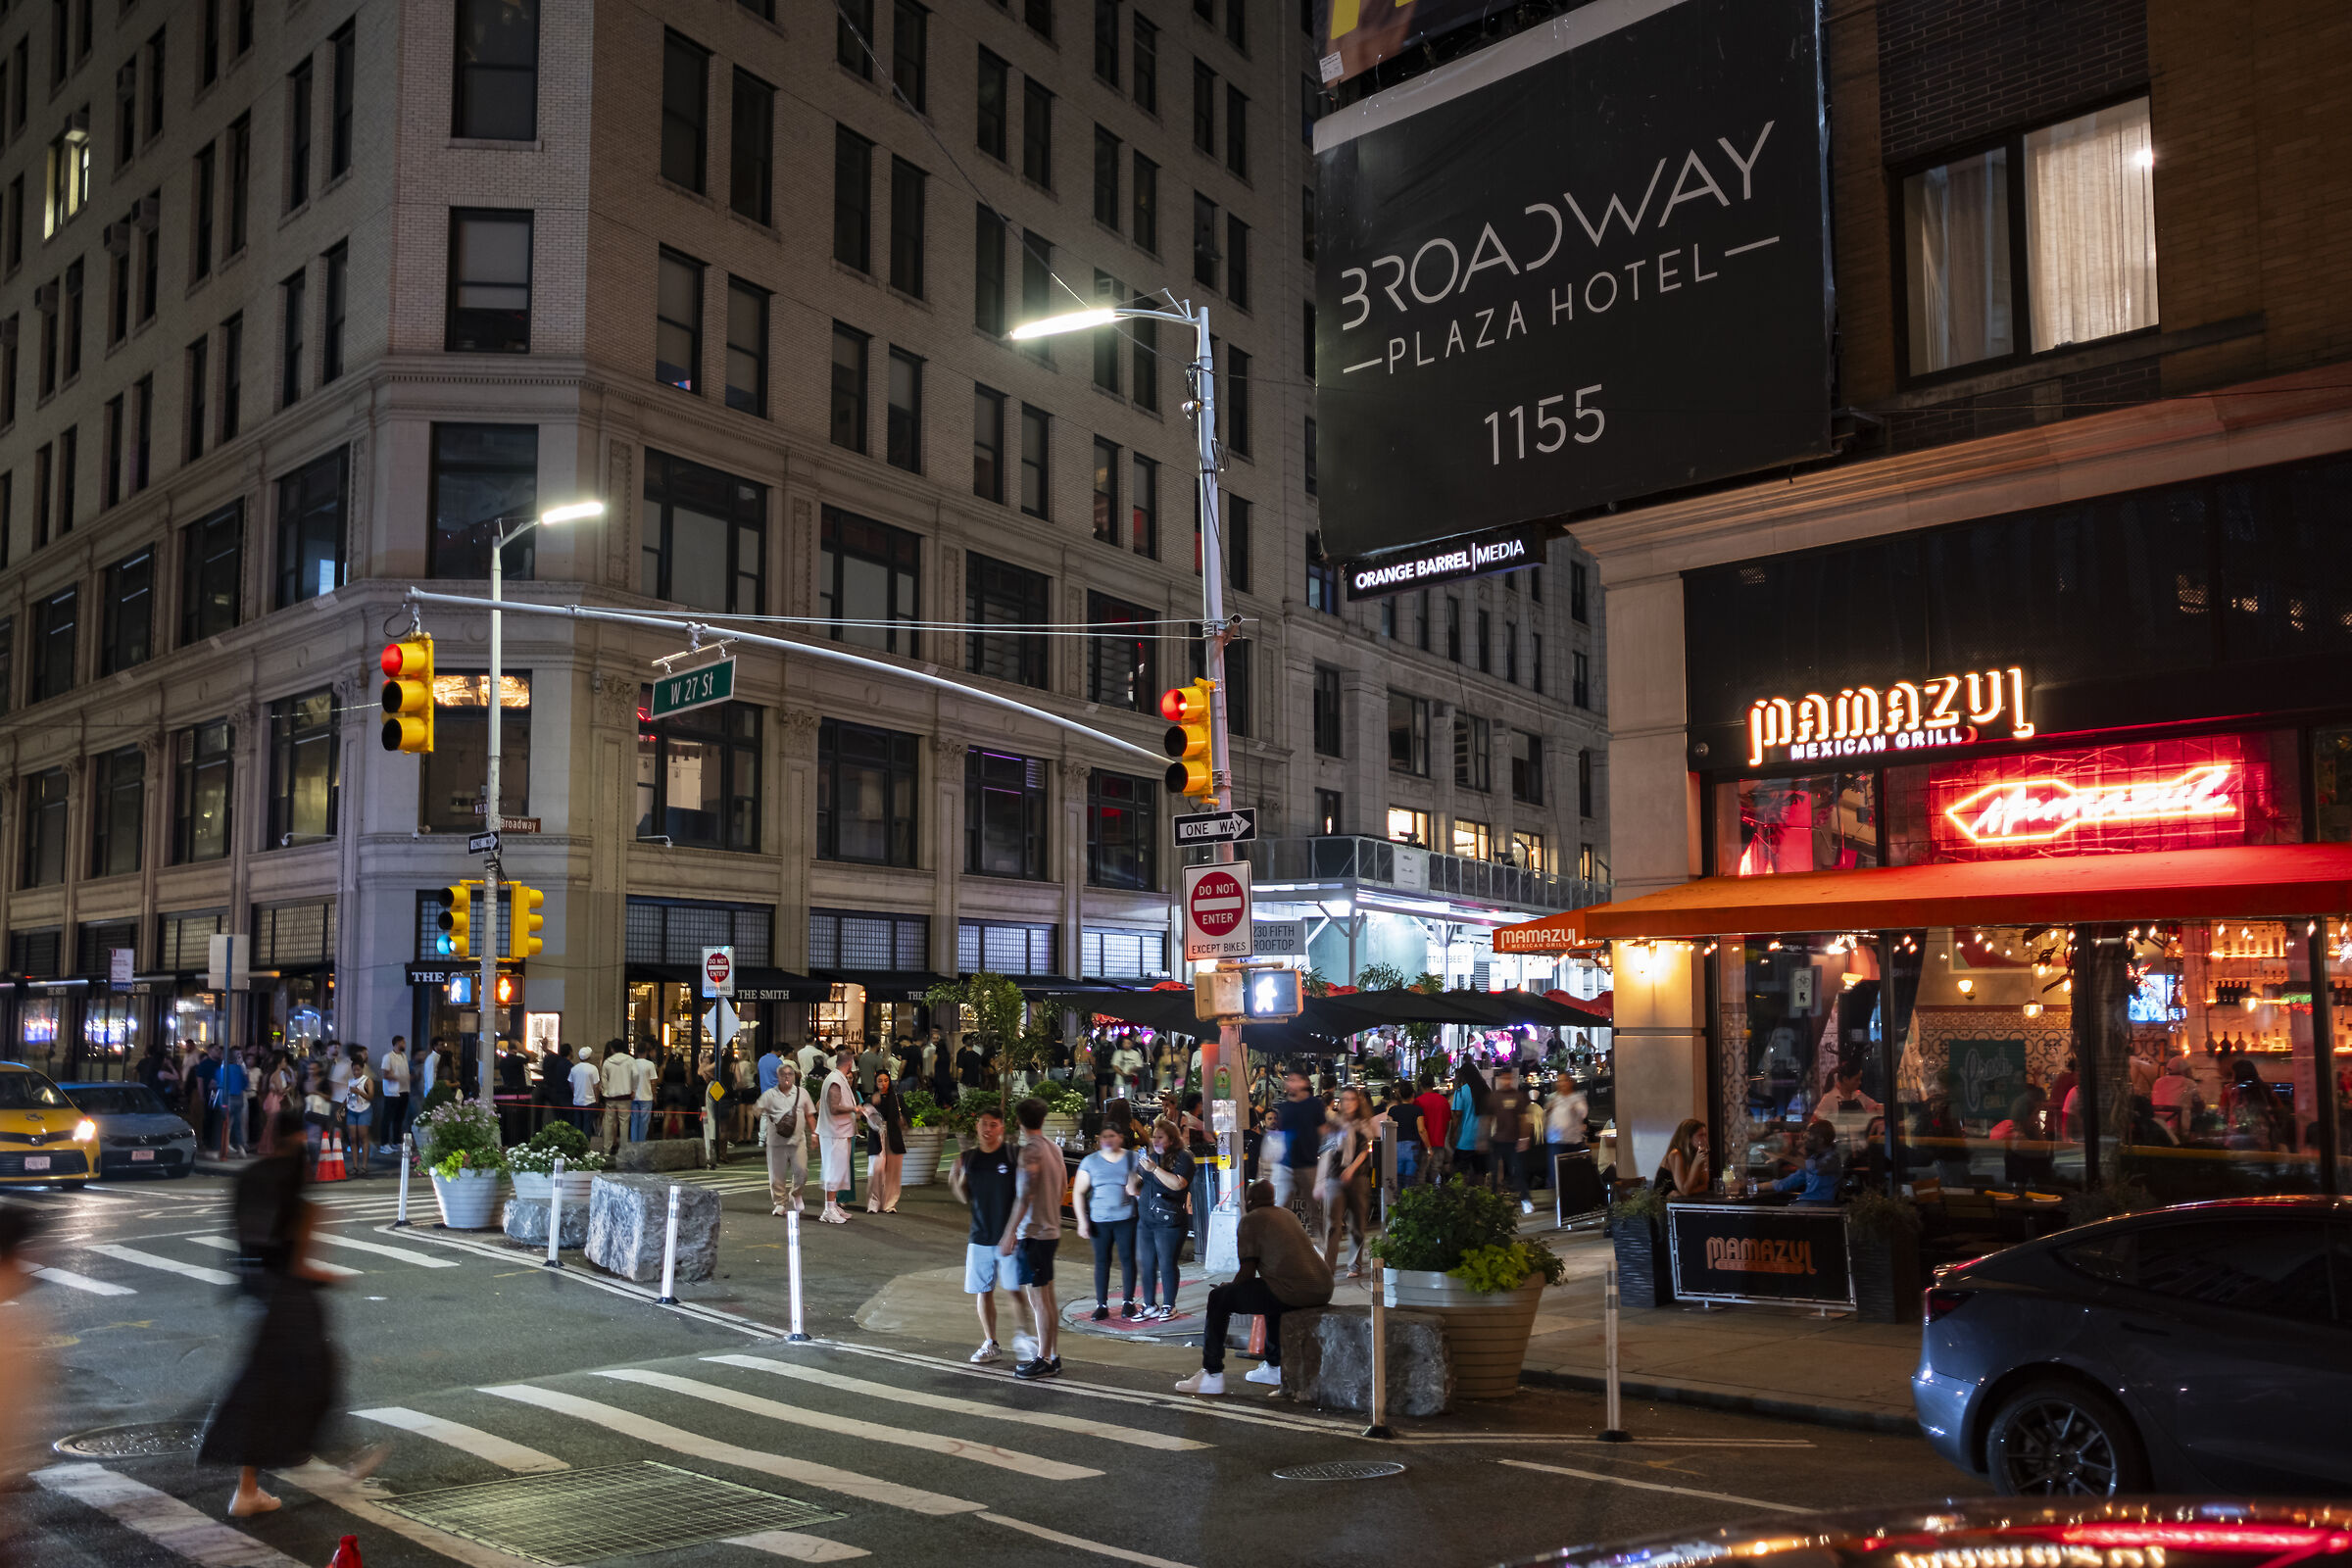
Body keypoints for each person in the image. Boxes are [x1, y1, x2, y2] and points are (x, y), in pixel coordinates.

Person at [198, 1105, 384, 1515]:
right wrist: (332, 1278)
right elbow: (300, 1266)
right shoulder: (298, 1197)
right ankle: (340, 1459)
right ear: (300, 1142)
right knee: (317, 1382)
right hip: (293, 1305)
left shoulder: (250, 1178)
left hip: (259, 1295)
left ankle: (248, 1488)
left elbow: (239, 1243)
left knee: (260, 1389)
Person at [1175, 1179, 1334, 1396]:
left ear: (1249, 1201)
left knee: (1218, 1298)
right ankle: (1274, 1367)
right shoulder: (1287, 1214)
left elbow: (1247, 1272)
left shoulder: (1250, 1221)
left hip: (1293, 1290)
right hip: (1322, 1287)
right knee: (1269, 1295)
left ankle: (1211, 1374)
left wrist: (1231, 1287)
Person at [949, 1105, 1026, 1363]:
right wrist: (955, 1178)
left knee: (1014, 1289)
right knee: (983, 1290)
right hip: (980, 1235)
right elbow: (964, 1197)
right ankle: (990, 1342)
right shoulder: (969, 1158)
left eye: (993, 1124)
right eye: (984, 1123)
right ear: (977, 1126)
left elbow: (1025, 1196)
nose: (988, 1129)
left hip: (1009, 1235)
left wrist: (1015, 1231)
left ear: (1002, 1127)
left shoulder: (1013, 1155)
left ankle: (1024, 1337)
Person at [997, 1097, 1067, 1380]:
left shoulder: (1031, 1152)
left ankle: (1044, 1359)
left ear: (1018, 1121)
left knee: (1038, 1299)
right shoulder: (1053, 1148)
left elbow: (1025, 1195)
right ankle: (1052, 1355)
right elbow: (1063, 1186)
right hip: (1050, 1229)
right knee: (1047, 1296)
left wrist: (1010, 1232)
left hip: (1034, 1233)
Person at [1128, 1116, 1195, 1320]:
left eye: (1160, 1137)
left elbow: (1178, 1184)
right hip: (1146, 1220)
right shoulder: (1151, 1158)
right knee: (1146, 1263)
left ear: (1172, 1140)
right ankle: (1149, 1305)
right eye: (1154, 1137)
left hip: (1169, 1222)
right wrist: (1131, 1170)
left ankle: (1169, 1306)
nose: (1155, 1141)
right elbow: (1133, 1189)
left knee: (1166, 1263)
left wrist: (1155, 1170)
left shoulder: (1183, 1158)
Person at [1074, 1118, 1139, 1320]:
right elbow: (1078, 1192)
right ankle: (1101, 1304)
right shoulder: (1090, 1161)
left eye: (1112, 1136)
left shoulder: (1132, 1158)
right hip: (1099, 1219)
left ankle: (1128, 1302)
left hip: (1126, 1218)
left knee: (1127, 1259)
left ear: (1120, 1138)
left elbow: (1141, 1186)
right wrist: (1082, 1221)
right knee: (1102, 1261)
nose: (1108, 1140)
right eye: (1104, 1137)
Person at [1322, 1087, 1377, 1276]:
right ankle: (1328, 1266)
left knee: (1357, 1223)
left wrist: (1351, 1169)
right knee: (1333, 1223)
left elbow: (1364, 1150)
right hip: (1335, 1175)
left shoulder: (1364, 1124)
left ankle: (1354, 1265)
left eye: (1352, 1099)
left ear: (1358, 1102)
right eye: (1344, 1099)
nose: (1348, 1103)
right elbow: (1327, 1150)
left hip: (1358, 1177)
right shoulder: (1334, 1123)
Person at [756, 1060, 815, 1214]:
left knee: (802, 1171)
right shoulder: (770, 1094)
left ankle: (796, 1193)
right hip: (776, 1141)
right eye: (783, 1074)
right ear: (778, 1077)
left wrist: (814, 1133)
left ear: (794, 1076)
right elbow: (757, 1110)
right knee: (776, 1174)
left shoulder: (802, 1093)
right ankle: (780, 1202)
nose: (787, 1077)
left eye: (790, 1074)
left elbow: (810, 1115)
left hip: (797, 1140)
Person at [1267, 1067, 1326, 1222]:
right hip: (1285, 1163)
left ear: (1304, 1083)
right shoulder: (1284, 1107)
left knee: (1314, 1207)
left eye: (1294, 1080)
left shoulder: (1314, 1104)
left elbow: (1322, 1130)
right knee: (1281, 1204)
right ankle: (1280, 1234)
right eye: (1289, 1080)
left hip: (1308, 1163)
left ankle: (1320, 1235)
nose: (1290, 1084)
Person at [818, 1048, 864, 1223]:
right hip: (835, 1133)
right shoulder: (835, 1080)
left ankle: (832, 1205)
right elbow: (834, 1107)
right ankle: (829, 1208)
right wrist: (854, 1108)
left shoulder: (836, 1078)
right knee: (834, 1170)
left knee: (838, 1170)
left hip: (839, 1132)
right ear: (850, 1064)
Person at [1491, 1065, 1536, 1212]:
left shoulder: (1518, 1096)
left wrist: (1524, 1138)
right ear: (1499, 1079)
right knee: (1494, 1171)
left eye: (1509, 1078)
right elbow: (1487, 1118)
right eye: (1504, 1078)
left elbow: (1524, 1118)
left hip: (1514, 1140)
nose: (1506, 1081)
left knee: (1519, 1171)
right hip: (1498, 1139)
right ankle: (1492, 1199)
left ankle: (1525, 1199)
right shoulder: (1494, 1097)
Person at [1769, 1119, 1843, 1203]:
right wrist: (1758, 1187)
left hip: (1820, 1207)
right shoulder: (1814, 1157)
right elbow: (1791, 1181)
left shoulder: (1832, 1159)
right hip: (1807, 1203)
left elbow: (1815, 1168)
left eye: (1810, 1135)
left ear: (1820, 1139)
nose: (1805, 1139)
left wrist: (1783, 1156)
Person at [865, 1070, 907, 1213]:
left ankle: (889, 1203)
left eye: (886, 1080)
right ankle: (873, 1203)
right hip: (877, 1138)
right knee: (876, 1170)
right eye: (880, 1081)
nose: (883, 1084)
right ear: (875, 1083)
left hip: (893, 1137)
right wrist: (871, 1105)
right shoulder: (871, 1098)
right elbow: (863, 1116)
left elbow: (907, 1115)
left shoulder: (897, 1098)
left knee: (893, 1172)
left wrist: (904, 1121)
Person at [1449, 1060, 1491, 1181]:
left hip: (1465, 1140)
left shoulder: (1461, 1092)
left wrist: (1452, 1135)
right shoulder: (1486, 1090)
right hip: (1482, 1140)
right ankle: (1479, 1192)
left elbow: (1457, 1116)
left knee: (1460, 1174)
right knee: (1480, 1174)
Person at [1413, 1072, 1453, 1185]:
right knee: (1435, 1173)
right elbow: (1447, 1122)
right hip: (1439, 1143)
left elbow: (1417, 1126)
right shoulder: (1443, 1101)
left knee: (1421, 1174)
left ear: (1420, 1084)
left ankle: (1422, 1195)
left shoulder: (1418, 1102)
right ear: (1433, 1084)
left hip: (1423, 1144)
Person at [1654, 1118, 1709, 1198]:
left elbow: (1705, 1186)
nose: (1705, 1139)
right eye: (1701, 1135)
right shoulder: (1676, 1154)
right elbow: (1685, 1190)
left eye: (1705, 1135)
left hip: (1680, 1201)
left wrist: (1690, 1192)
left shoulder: (1696, 1153)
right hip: (1662, 1203)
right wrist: (1696, 1164)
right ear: (1688, 1138)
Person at [2150, 1054, 2203, 1136]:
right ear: (2185, 1070)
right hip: (2178, 1130)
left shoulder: (2157, 1082)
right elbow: (2200, 1107)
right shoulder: (2189, 1083)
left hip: (2158, 1127)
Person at [599, 1039, 636, 1154]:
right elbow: (636, 1075)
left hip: (611, 1097)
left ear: (612, 1049)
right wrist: (633, 1089)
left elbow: (604, 1079)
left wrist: (606, 1091)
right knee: (624, 1123)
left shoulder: (607, 1062)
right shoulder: (630, 1060)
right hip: (625, 1096)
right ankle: (623, 1149)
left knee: (608, 1123)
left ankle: (607, 1149)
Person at [342, 1047, 373, 1178]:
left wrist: (359, 1092)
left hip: (364, 1111)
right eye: (354, 1070)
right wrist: (342, 1108)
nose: (356, 1072)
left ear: (362, 1069)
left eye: (358, 1070)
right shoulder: (350, 1081)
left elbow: (371, 1096)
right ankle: (355, 1166)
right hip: (352, 1110)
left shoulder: (367, 1080)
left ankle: (364, 1166)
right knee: (353, 1139)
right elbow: (348, 1096)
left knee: (363, 1138)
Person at [1385, 1083, 1424, 1185]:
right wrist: (1428, 1148)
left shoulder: (1392, 1110)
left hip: (1396, 1145)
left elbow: (1389, 1130)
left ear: (1400, 1095)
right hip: (1412, 1146)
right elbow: (1421, 1130)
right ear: (1413, 1095)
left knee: (1398, 1177)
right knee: (1411, 1178)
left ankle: (1398, 1194)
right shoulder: (1417, 1110)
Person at [216, 1047, 251, 1159]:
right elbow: (246, 1085)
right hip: (238, 1098)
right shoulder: (240, 1068)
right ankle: (241, 1148)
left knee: (225, 1125)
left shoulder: (224, 1068)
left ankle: (223, 1148)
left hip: (227, 1099)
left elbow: (220, 1083)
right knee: (238, 1124)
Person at [377, 1036, 410, 1154]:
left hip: (404, 1090)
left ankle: (397, 1142)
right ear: (397, 1043)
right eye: (403, 1042)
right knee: (387, 1118)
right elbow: (385, 1074)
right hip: (392, 1092)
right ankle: (384, 1144)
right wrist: (398, 1077)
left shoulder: (403, 1056)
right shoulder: (388, 1057)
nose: (405, 1044)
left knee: (399, 1118)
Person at [629, 1040, 658, 1143]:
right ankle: (641, 1143)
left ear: (636, 1051)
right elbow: (653, 1082)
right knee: (644, 1123)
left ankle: (634, 1143)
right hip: (646, 1097)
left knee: (634, 1121)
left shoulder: (632, 1063)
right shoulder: (650, 1064)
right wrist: (654, 1096)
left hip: (634, 1097)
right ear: (646, 1052)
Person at [567, 1045, 600, 1135]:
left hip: (577, 1101)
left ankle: (578, 1141)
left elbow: (571, 1083)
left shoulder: (574, 1069)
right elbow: (596, 1086)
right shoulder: (593, 1069)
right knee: (587, 1124)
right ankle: (586, 1142)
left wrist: (575, 1093)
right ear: (589, 1057)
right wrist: (597, 1099)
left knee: (577, 1124)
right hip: (589, 1101)